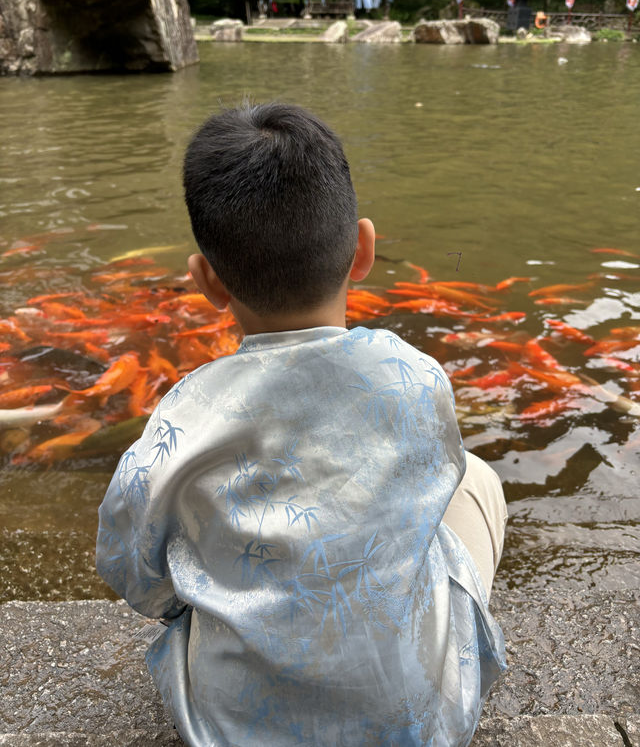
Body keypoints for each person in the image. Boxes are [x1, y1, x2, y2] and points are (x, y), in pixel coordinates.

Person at [96, 103, 507, 747]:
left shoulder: (182, 417)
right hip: (422, 726)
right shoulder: (418, 377)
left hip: (228, 731)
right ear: (363, 249)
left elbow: (132, 569)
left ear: (206, 281)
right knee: (476, 481)